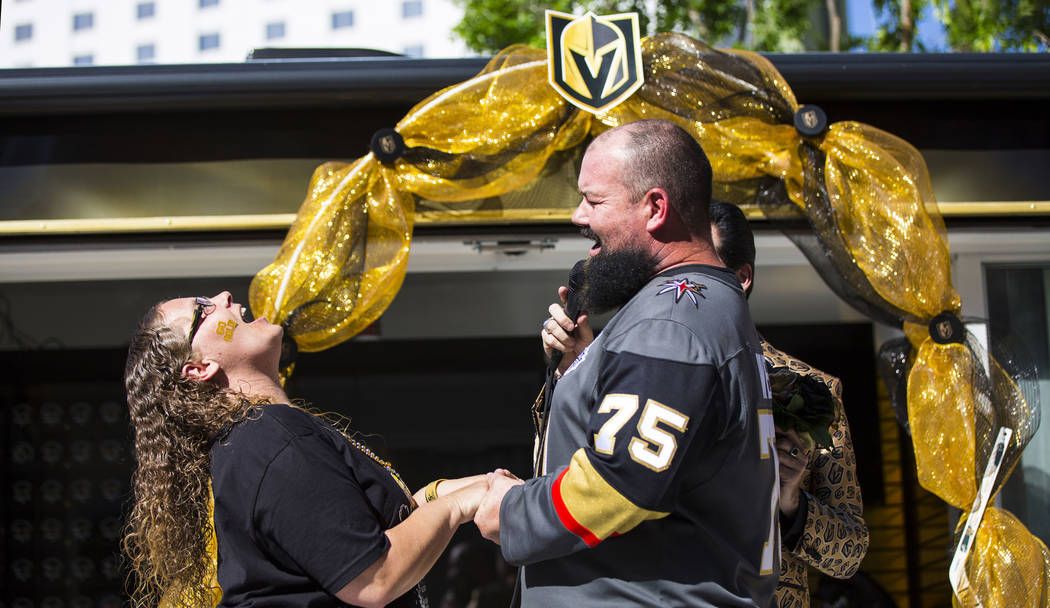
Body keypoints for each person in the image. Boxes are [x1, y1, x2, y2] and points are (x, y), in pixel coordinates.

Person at [474, 119, 780, 606]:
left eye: (594, 201)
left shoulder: (671, 322)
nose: (578, 216)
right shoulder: (704, 304)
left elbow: (619, 485)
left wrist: (510, 511)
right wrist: (582, 364)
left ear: (655, 207)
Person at [122, 290, 499, 608]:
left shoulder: (254, 439)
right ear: (199, 368)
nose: (224, 297)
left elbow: (359, 534)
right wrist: (459, 505)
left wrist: (441, 494)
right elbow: (374, 579)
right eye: (203, 310)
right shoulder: (266, 438)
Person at [708, 201, 869, 608]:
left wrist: (792, 504)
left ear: (741, 277)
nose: (683, 285)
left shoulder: (813, 390)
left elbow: (849, 552)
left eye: (701, 269)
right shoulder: (651, 376)